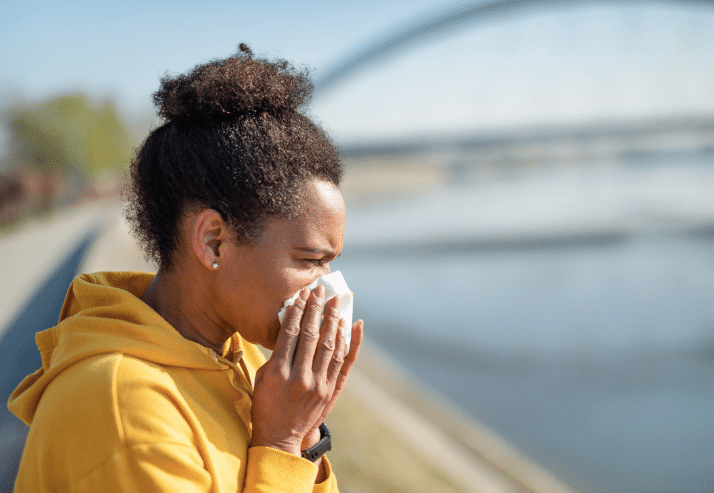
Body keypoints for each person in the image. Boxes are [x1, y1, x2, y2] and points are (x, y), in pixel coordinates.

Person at [8, 44, 363, 492]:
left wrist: (307, 435)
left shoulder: (246, 359)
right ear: (214, 240)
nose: (328, 288)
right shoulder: (124, 410)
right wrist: (282, 442)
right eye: (311, 261)